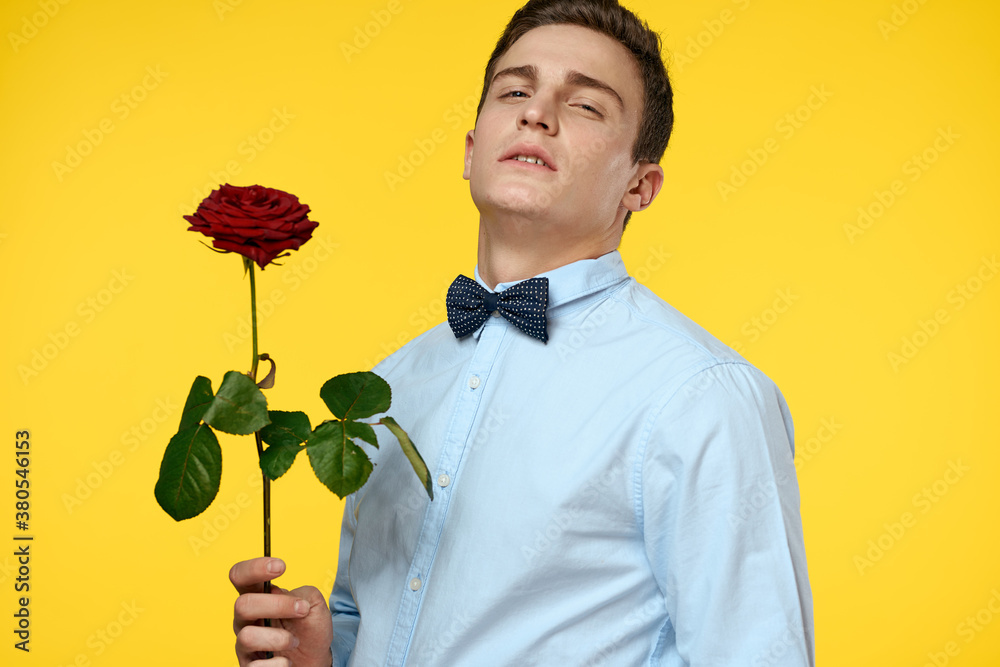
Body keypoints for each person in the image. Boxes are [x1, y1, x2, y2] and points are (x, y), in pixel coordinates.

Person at [230, 0, 815, 665]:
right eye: (515, 90)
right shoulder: (387, 387)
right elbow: (363, 618)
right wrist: (321, 655)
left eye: (587, 106)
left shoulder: (702, 396)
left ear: (640, 186)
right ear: (472, 149)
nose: (537, 113)